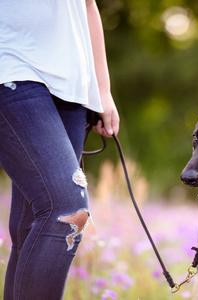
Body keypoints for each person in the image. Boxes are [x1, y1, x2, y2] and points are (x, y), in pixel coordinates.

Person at [0, 0, 119, 299]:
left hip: (72, 84)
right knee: (67, 209)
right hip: (10, 66)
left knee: (30, 229)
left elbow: (89, 5)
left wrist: (102, 91)